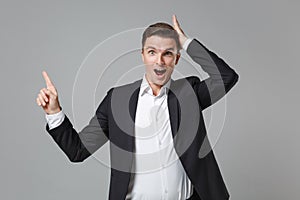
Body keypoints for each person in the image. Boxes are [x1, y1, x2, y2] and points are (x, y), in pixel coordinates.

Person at [36, 15, 238, 200]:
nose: (159, 61)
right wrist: (54, 112)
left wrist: (185, 42)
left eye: (167, 53)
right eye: (152, 52)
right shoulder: (117, 100)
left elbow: (226, 77)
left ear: (176, 59)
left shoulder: (189, 93)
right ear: (143, 55)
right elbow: (77, 151)